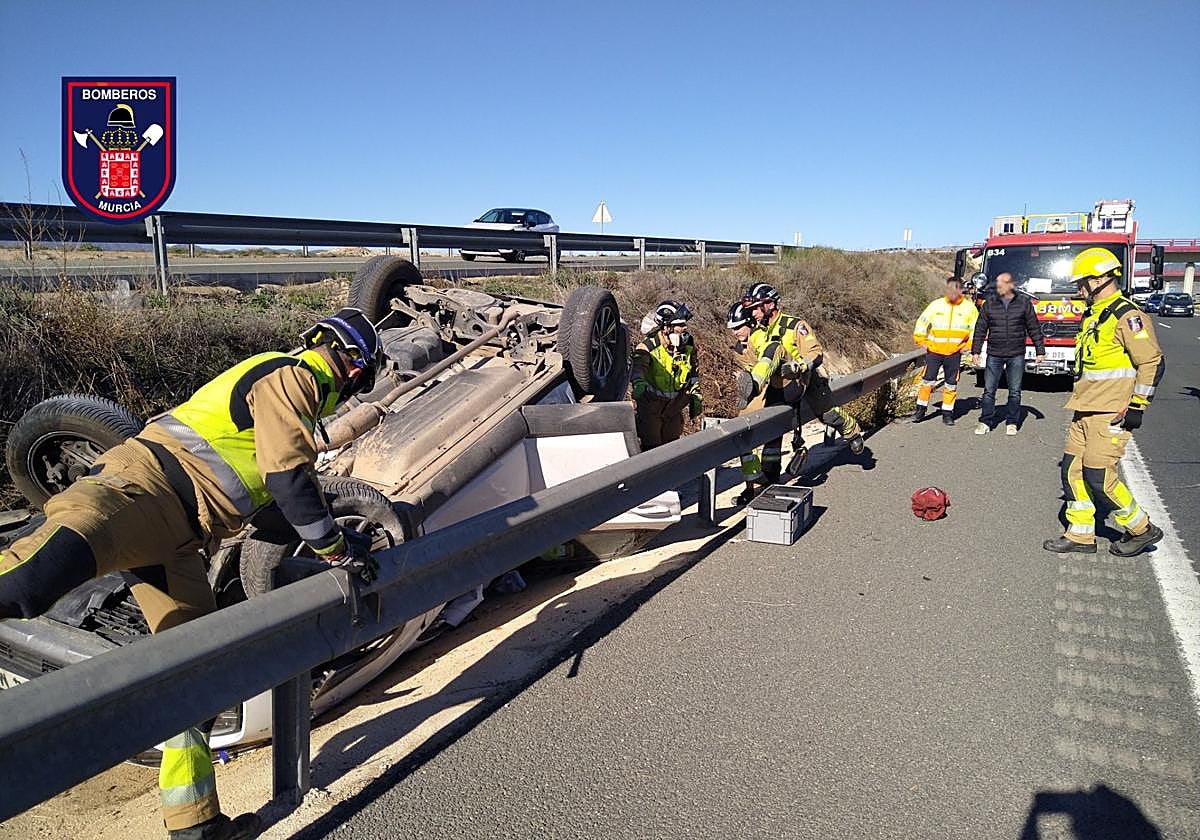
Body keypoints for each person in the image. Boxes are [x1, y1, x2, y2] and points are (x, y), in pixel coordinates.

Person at [0, 308, 385, 840]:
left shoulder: (283, 394)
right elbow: (286, 477)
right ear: (355, 369)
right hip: (141, 491)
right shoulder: (295, 376)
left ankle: (195, 826)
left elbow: (274, 497)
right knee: (28, 580)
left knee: (192, 675)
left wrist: (328, 533)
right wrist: (336, 550)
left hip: (179, 540)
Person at [1043, 248, 1164, 556]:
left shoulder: (1127, 316)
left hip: (1111, 412)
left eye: (1082, 282)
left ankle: (1141, 528)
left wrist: (1137, 406)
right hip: (1084, 409)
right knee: (1071, 471)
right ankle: (1081, 534)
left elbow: (1151, 362)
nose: (1079, 288)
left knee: (1099, 477)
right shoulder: (1095, 314)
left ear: (1098, 280)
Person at [737, 283, 864, 500]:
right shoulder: (756, 333)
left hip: (800, 380)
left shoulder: (795, 326)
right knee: (771, 433)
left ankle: (851, 430)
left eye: (757, 308)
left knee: (829, 414)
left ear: (770, 305)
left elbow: (815, 353)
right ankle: (770, 477)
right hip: (774, 386)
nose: (754, 314)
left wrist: (799, 366)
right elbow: (750, 362)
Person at [970, 271, 1046, 435]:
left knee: (1015, 391)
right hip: (994, 354)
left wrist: (1040, 350)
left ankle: (1012, 422)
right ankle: (985, 421)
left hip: (1016, 354)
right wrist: (975, 351)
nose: (999, 286)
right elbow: (980, 329)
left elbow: (1033, 327)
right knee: (989, 391)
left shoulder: (1024, 303)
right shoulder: (989, 304)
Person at [631, 300, 702, 450]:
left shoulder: (688, 345)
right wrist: (638, 383)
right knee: (651, 449)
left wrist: (696, 395)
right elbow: (638, 367)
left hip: (674, 409)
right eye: (679, 325)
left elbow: (693, 372)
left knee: (672, 449)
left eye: (684, 324)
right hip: (651, 408)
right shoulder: (649, 346)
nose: (684, 328)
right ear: (666, 327)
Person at [913, 276, 978, 425]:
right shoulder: (936, 305)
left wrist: (969, 345)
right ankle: (920, 411)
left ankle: (947, 413)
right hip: (934, 351)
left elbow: (976, 329)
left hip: (954, 353)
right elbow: (922, 322)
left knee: (951, 384)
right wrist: (921, 340)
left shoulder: (969, 308)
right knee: (927, 381)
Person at [725, 301, 766, 503]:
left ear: (750, 322)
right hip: (753, 397)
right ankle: (753, 485)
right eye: (733, 328)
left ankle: (757, 487)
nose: (735, 332)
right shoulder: (740, 346)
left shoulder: (761, 339)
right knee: (746, 440)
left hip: (768, 393)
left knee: (754, 439)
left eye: (739, 327)